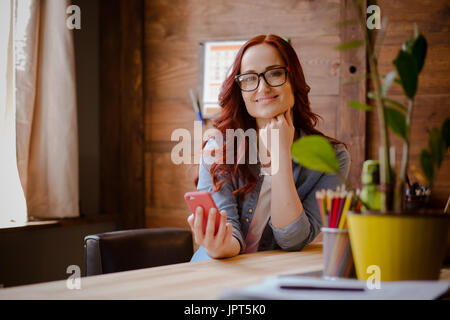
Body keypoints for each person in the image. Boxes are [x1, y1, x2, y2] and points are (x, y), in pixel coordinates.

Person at [188, 34, 350, 261]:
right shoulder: (220, 148)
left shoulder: (332, 158)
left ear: (293, 79)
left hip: (275, 276)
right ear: (241, 90)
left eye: (274, 73)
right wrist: (221, 245)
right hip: (218, 268)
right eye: (249, 78)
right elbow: (228, 233)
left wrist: (281, 156)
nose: (262, 88)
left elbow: (293, 239)